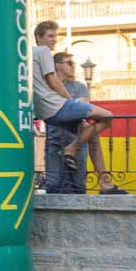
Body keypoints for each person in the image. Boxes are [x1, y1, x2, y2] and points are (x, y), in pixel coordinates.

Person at [32, 20, 125, 194]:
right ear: (39, 37)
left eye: (55, 36)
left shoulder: (29, 56)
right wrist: (71, 102)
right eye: (50, 36)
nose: (54, 40)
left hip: (46, 112)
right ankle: (73, 149)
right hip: (55, 109)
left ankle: (106, 184)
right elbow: (53, 81)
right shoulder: (43, 52)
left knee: (92, 137)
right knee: (107, 116)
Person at [43, 53, 90, 194]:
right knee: (53, 184)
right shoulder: (47, 87)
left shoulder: (80, 87)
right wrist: (72, 103)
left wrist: (59, 105)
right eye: (69, 63)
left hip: (77, 143)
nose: (73, 66)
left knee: (78, 184)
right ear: (58, 66)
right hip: (54, 142)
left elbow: (83, 107)